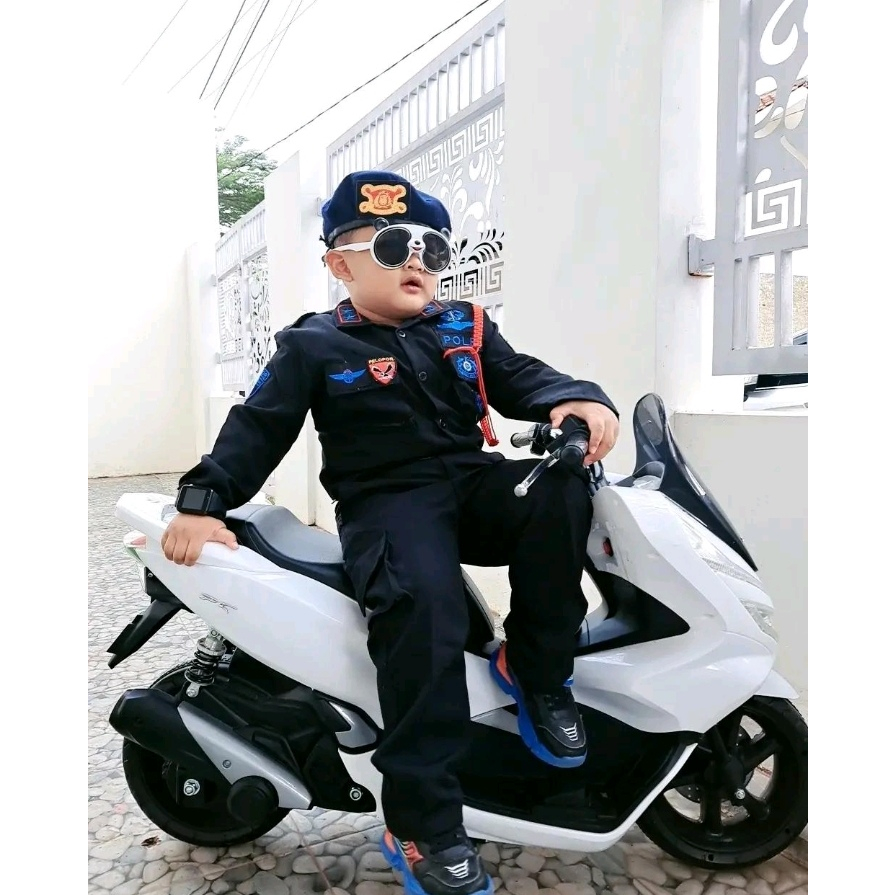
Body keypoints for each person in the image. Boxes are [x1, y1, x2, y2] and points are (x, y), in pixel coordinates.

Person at [162, 171, 619, 895]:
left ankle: (537, 670)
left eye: (431, 249)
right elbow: (258, 426)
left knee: (561, 489)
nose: (416, 261)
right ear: (339, 265)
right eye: (391, 245)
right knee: (425, 615)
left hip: (472, 483)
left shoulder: (465, 324)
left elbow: (522, 377)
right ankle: (423, 821)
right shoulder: (314, 343)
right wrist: (202, 501)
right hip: (389, 504)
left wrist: (577, 399)